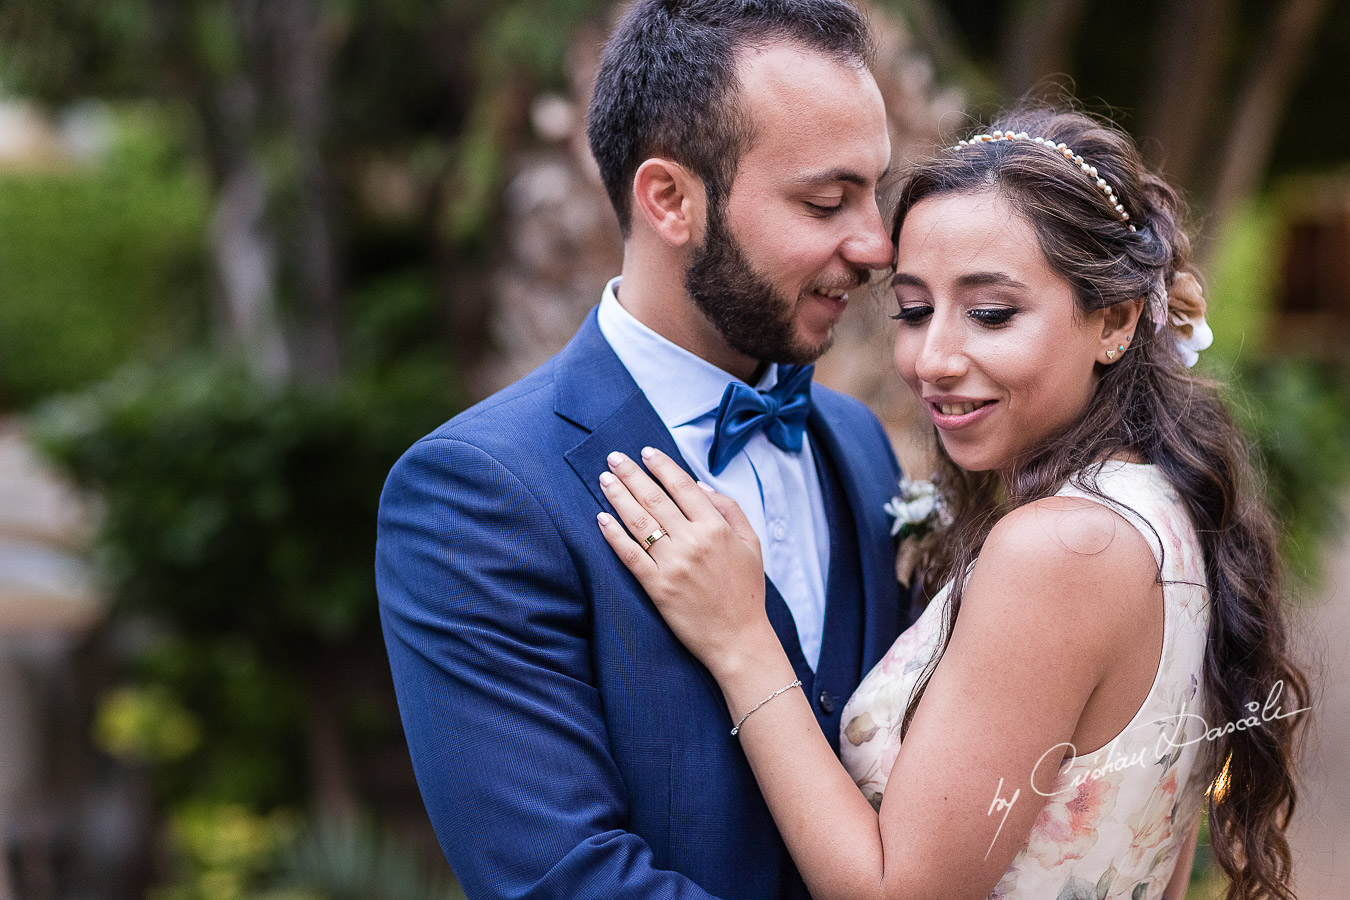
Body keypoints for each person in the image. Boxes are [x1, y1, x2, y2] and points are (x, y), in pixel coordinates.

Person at [597, 107, 1309, 900]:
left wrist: (739, 640)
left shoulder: (1061, 550)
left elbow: (896, 891)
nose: (932, 359)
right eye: (913, 309)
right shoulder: (1165, 510)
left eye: (990, 313)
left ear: (1115, 318)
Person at [374, 1, 910, 896]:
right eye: (825, 201)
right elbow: (562, 879)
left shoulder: (857, 445)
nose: (875, 244)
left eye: (875, 192)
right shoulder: (480, 493)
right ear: (669, 199)